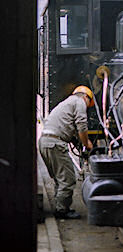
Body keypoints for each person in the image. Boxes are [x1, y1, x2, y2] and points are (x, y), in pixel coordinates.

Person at [39, 85, 94, 219]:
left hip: (45, 141)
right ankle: (62, 211)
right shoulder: (79, 102)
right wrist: (87, 144)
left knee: (60, 179)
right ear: (86, 97)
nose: (87, 107)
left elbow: (71, 129)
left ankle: (60, 206)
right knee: (68, 179)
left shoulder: (67, 102)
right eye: (89, 104)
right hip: (55, 143)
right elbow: (82, 125)